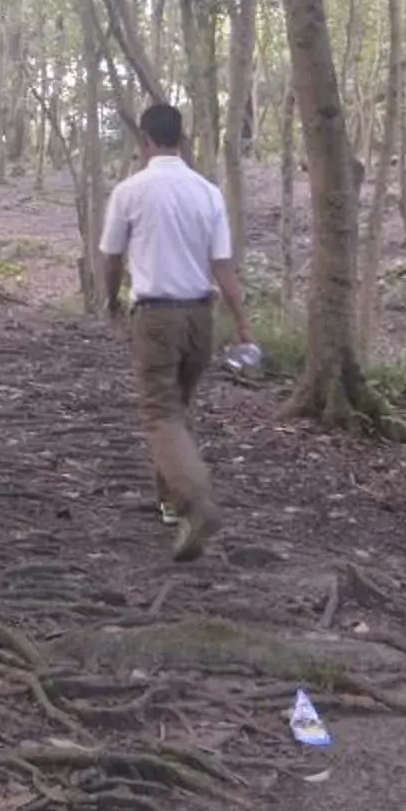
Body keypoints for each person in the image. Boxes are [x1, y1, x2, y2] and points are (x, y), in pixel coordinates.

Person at [98, 102, 254, 561]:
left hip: (156, 316)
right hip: (199, 318)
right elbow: (222, 267)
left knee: (160, 413)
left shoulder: (131, 191)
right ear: (181, 139)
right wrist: (242, 323)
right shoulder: (206, 193)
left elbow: (112, 257)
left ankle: (196, 501)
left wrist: (109, 300)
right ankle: (169, 503)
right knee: (176, 409)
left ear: (144, 141)